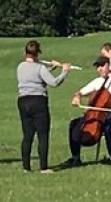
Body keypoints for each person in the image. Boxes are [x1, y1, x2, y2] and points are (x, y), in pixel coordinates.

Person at [65, 55, 111, 166]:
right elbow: (80, 92)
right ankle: (75, 157)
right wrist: (77, 97)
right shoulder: (97, 82)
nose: (100, 69)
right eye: (98, 67)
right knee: (74, 124)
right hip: (98, 116)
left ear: (109, 66)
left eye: (102, 65)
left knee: (110, 127)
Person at [16, 40, 72, 173]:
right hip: (38, 101)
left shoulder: (20, 66)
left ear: (25, 52)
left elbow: (35, 75)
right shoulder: (39, 67)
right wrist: (64, 71)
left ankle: (26, 167)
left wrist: (51, 68)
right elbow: (53, 82)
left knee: (27, 135)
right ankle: (44, 167)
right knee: (43, 134)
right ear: (38, 53)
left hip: (23, 101)